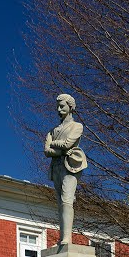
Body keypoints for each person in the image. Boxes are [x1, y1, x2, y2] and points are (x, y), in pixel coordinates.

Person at [44, 93, 87, 246]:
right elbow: (46, 151)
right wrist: (60, 148)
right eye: (57, 106)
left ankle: (67, 238)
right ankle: (62, 237)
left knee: (67, 200)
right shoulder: (52, 130)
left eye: (62, 106)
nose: (59, 109)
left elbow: (67, 144)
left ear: (70, 107)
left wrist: (56, 145)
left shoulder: (77, 126)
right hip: (56, 166)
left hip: (70, 166)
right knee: (60, 203)